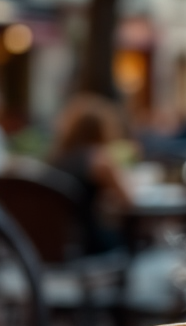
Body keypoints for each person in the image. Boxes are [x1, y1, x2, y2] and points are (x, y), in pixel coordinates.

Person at [50, 94, 134, 254]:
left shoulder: (59, 158)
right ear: (103, 128)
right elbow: (128, 200)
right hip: (91, 240)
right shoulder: (99, 160)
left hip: (62, 241)